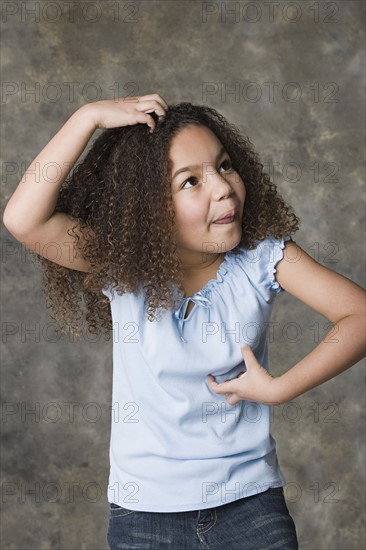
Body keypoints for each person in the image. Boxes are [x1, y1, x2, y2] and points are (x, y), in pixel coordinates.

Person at [3, 93, 365, 550]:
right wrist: (87, 118)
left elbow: (359, 315)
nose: (222, 187)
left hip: (250, 504)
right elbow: (22, 218)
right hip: (144, 516)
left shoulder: (263, 260)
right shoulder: (124, 268)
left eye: (225, 165)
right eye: (190, 181)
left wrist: (281, 387)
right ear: (147, 208)